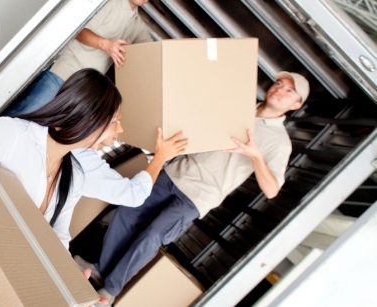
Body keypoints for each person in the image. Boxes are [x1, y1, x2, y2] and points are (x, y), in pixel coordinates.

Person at [74, 71, 310, 305]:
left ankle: (111, 289)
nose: (279, 89)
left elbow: (271, 190)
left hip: (199, 196)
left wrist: (256, 155)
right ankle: (99, 269)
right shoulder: (239, 107)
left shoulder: (280, 142)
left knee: (152, 235)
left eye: (289, 90)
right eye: (279, 83)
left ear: (296, 104)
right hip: (175, 173)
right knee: (127, 213)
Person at [0, 68, 187, 249]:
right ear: (90, 119)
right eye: (114, 122)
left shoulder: (75, 175)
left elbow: (58, 239)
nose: (119, 131)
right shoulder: (10, 134)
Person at [1, 0, 152, 116]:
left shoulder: (138, 26)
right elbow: (79, 30)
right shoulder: (108, 4)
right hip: (63, 72)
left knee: (36, 124)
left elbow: (155, 53)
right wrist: (106, 45)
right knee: (26, 113)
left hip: (80, 88)